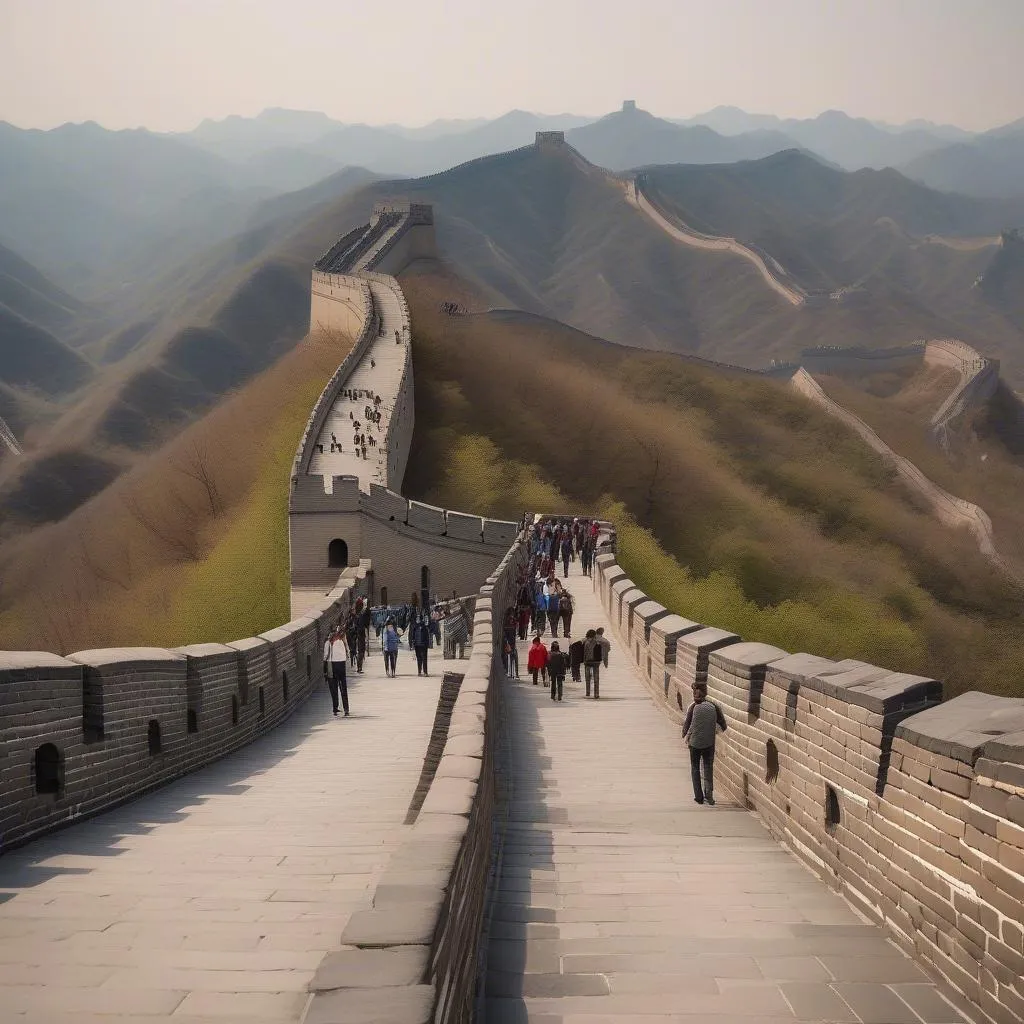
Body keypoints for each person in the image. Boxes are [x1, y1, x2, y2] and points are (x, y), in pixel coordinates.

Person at [682, 683, 728, 805]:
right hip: (709, 743)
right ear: (706, 693)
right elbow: (723, 725)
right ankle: (709, 795)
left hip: (694, 744)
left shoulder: (692, 707)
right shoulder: (714, 706)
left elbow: (686, 725)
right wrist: (711, 731)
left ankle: (699, 797)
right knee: (708, 768)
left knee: (695, 768)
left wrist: (686, 736)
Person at [323, 624, 350, 716]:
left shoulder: (328, 642)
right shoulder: (343, 639)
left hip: (332, 665)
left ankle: (335, 708)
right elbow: (347, 651)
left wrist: (324, 670)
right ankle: (346, 708)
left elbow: (325, 656)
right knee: (343, 687)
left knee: (333, 688)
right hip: (341, 664)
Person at [583, 629, 602, 698]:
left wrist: (584, 661)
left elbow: (585, 653)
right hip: (596, 662)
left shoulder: (586, 642)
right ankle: (596, 694)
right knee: (596, 678)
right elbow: (600, 653)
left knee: (587, 678)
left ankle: (588, 692)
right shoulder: (598, 643)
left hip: (588, 662)